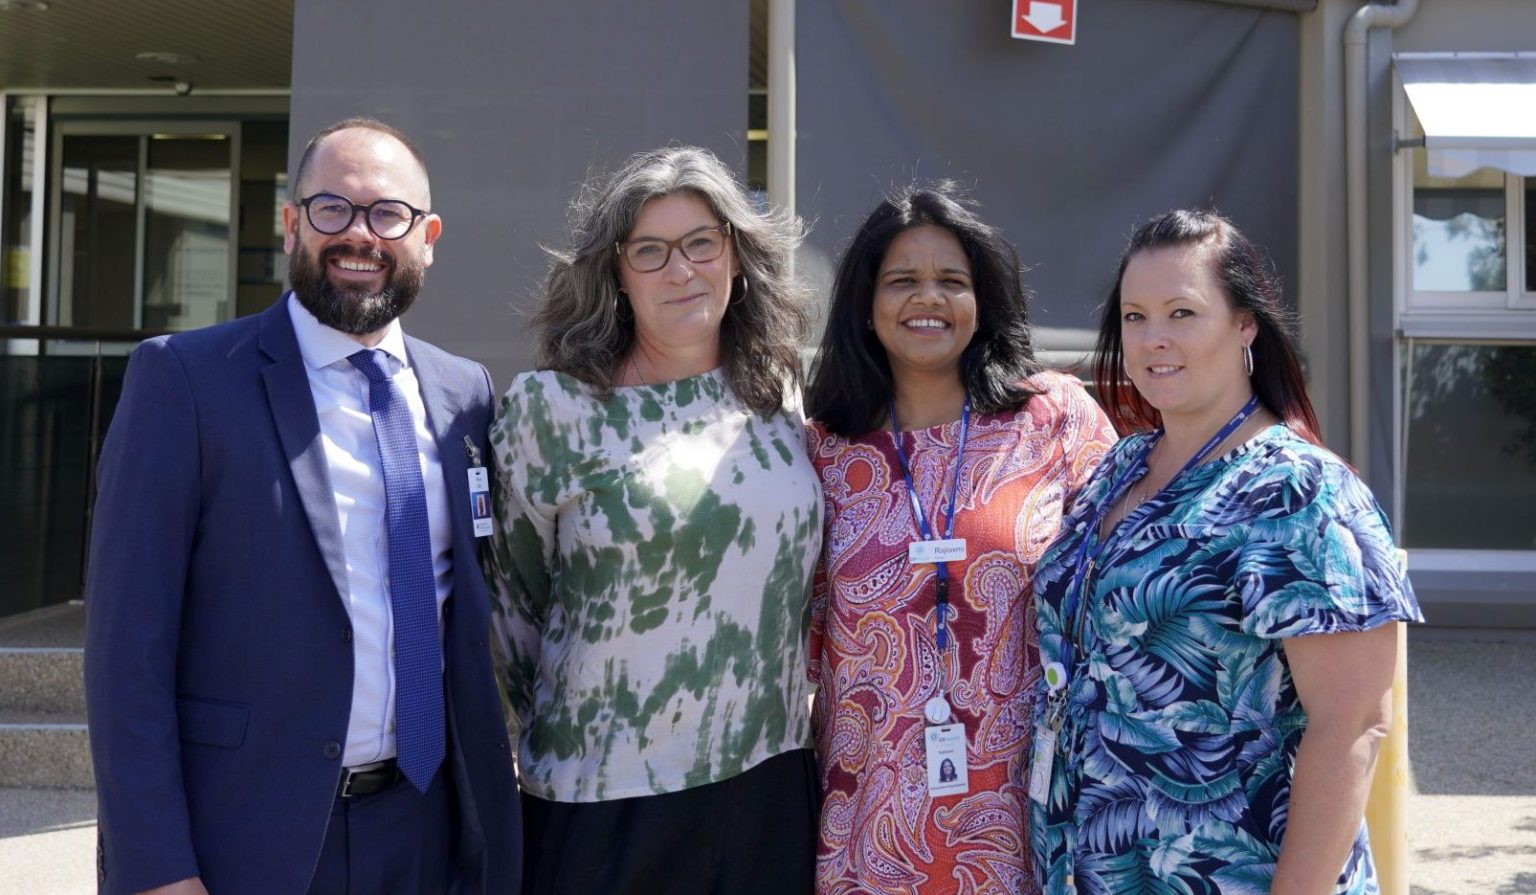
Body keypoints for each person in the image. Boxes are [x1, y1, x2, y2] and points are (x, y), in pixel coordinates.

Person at [83, 118, 520, 895]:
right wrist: (156, 867)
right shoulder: (184, 381)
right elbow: (126, 654)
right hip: (247, 839)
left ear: (429, 236)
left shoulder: (465, 395)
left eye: (389, 214)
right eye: (332, 209)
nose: (361, 235)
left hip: (429, 830)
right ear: (291, 223)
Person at [1028, 209, 1423, 894]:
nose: (1154, 340)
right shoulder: (1119, 467)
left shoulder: (1298, 490)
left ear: (1246, 325)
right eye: (1135, 316)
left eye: (1183, 312)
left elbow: (1354, 722)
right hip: (1091, 868)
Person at [484, 146, 822, 895]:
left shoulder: (777, 396)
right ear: (615, 273)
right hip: (604, 802)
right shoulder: (552, 411)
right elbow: (513, 617)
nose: (682, 269)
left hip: (767, 785)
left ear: (736, 257)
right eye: (650, 250)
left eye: (703, 242)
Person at [803, 183, 1116, 895]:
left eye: (952, 281)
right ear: (866, 302)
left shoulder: (1055, 418)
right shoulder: (823, 453)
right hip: (869, 819)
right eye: (903, 281)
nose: (929, 298)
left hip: (1023, 815)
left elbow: (1122, 588)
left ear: (984, 301)